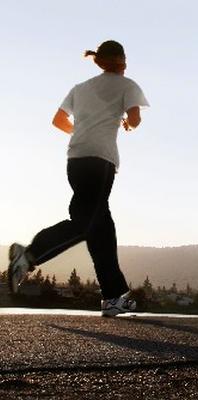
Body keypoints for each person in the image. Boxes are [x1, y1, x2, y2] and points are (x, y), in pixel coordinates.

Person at [6, 40, 149, 317]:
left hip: (76, 160)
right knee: (85, 224)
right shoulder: (128, 85)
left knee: (102, 228)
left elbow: (58, 120)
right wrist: (127, 124)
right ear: (122, 62)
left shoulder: (80, 88)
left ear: (100, 62)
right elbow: (135, 119)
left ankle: (112, 297)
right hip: (101, 161)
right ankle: (29, 255)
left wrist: (82, 132)